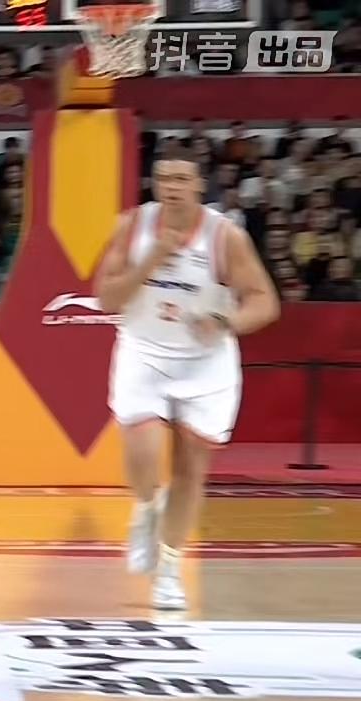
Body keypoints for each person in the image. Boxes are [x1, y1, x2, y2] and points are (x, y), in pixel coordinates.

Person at [95, 158, 280, 611]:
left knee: (190, 469)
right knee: (142, 450)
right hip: (144, 350)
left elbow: (264, 302)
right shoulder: (132, 226)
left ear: (198, 185)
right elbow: (107, 298)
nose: (171, 187)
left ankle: (170, 570)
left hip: (205, 360)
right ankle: (145, 509)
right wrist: (152, 258)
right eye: (163, 179)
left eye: (181, 179)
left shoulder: (224, 236)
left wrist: (226, 320)